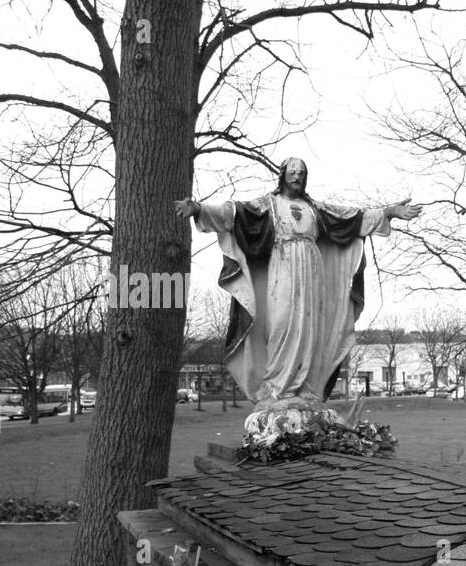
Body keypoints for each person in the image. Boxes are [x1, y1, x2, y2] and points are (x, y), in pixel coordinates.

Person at [174, 158, 421, 412]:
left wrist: (389, 212)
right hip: (282, 267)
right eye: (292, 172)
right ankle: (277, 388)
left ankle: (305, 388)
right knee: (281, 324)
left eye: (301, 173)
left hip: (312, 273)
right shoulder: (267, 205)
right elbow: (232, 213)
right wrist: (199, 209)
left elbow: (350, 217)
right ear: (282, 176)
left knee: (310, 325)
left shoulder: (315, 209)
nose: (296, 176)